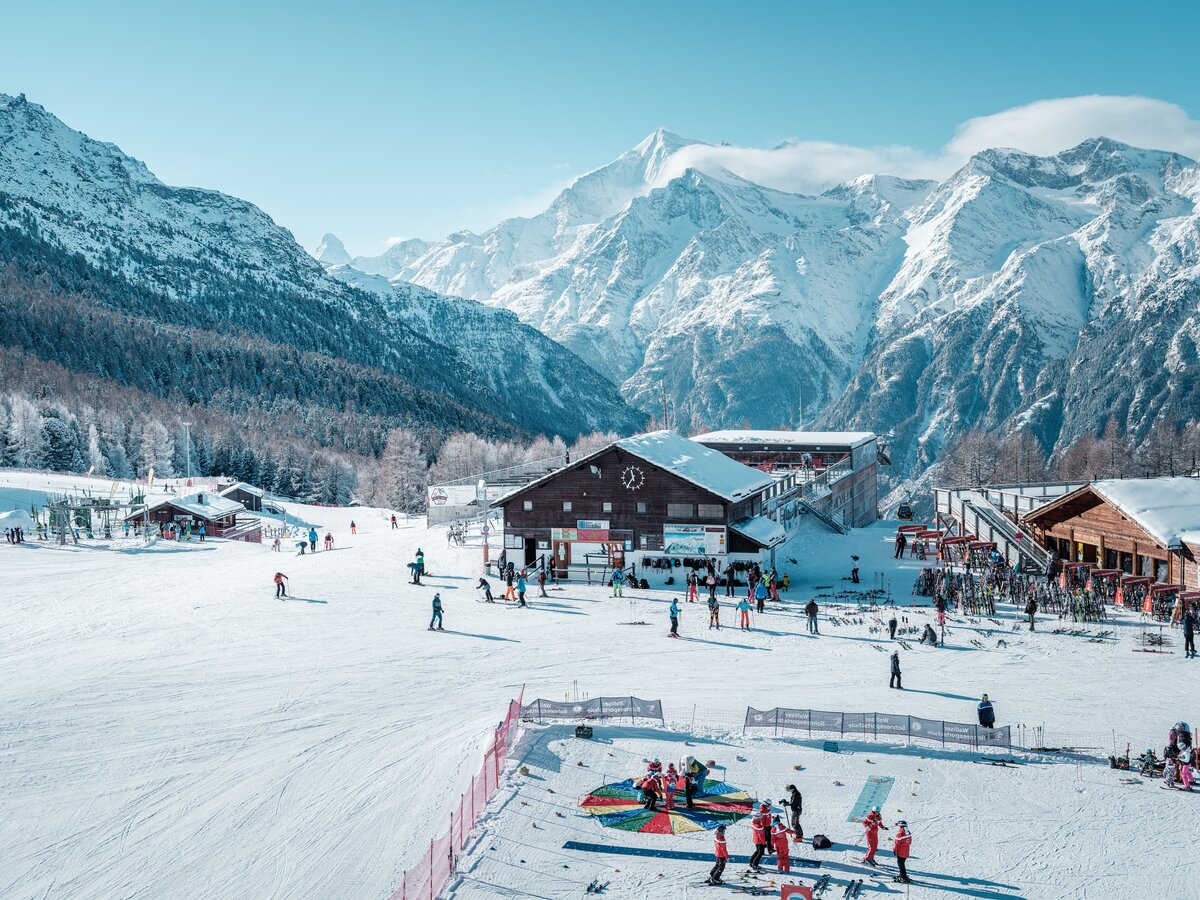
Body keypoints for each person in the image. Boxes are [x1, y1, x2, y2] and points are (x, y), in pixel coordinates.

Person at [748, 807, 769, 872]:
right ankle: (755, 864)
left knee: (757, 851)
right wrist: (764, 843)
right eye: (760, 817)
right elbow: (761, 836)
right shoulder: (759, 826)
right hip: (759, 841)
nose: (761, 818)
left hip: (756, 839)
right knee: (761, 852)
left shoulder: (754, 822)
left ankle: (751, 862)